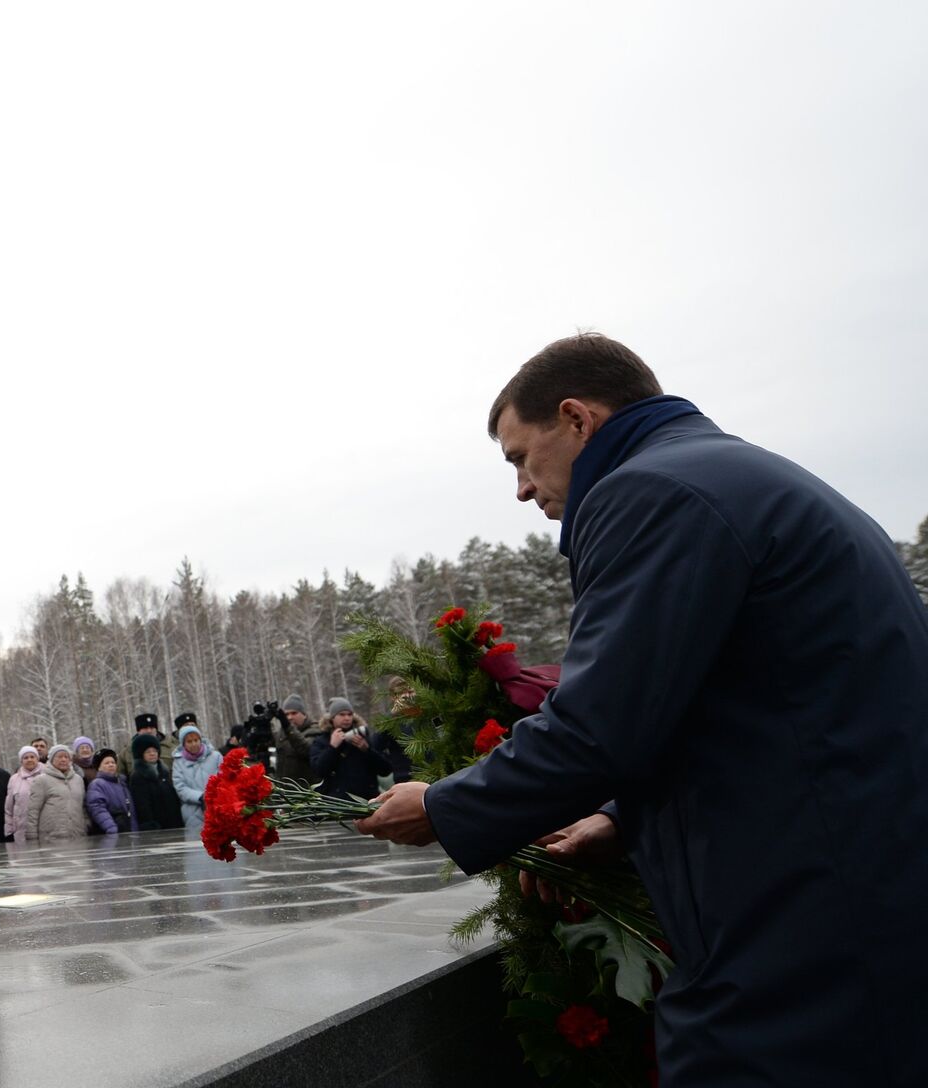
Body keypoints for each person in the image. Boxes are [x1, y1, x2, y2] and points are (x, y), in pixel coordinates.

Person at [355, 333, 928, 1086]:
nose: (522, 489)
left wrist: (445, 805)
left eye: (520, 457)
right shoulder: (729, 475)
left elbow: (599, 726)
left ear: (577, 418)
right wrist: (620, 818)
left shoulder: (651, 491)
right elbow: (748, 701)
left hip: (798, 923)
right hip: (852, 890)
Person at [308, 698, 394, 799]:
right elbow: (319, 770)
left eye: (349, 714)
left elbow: (385, 770)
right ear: (332, 718)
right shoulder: (322, 740)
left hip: (366, 800)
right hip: (337, 802)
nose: (347, 718)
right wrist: (332, 747)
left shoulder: (363, 737)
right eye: (342, 715)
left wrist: (367, 750)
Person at [26, 745, 89, 844]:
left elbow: (83, 807)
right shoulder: (41, 780)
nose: (63, 759)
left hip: (77, 836)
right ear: (51, 760)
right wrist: (31, 836)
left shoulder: (78, 779)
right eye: (59, 757)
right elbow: (33, 810)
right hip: (51, 838)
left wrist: (87, 825)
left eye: (66, 757)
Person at [170, 724, 223, 832]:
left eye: (196, 740)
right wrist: (200, 797)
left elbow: (224, 778)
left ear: (200, 740)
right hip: (192, 813)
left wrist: (213, 795)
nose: (194, 744)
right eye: (189, 742)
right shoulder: (178, 762)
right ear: (183, 744)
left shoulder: (216, 756)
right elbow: (180, 787)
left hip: (217, 807)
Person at [129, 733, 185, 830]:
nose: (152, 754)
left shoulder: (164, 772)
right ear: (140, 754)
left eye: (155, 751)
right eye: (148, 751)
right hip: (155, 827)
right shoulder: (138, 776)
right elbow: (142, 805)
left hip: (173, 824)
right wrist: (150, 824)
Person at [84, 749, 137, 834]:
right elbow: (98, 809)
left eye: (113, 762)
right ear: (99, 767)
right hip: (113, 833)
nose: (111, 765)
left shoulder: (122, 783)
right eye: (106, 763)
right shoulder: (97, 784)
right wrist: (111, 828)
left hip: (128, 831)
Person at [4, 747, 43, 846]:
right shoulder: (14, 779)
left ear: (37, 759)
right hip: (21, 829)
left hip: (43, 827)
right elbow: (9, 808)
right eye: (25, 757)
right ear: (21, 761)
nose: (29, 759)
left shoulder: (47, 775)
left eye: (32, 757)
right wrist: (9, 829)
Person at [272, 695, 316, 782]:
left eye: (294, 713)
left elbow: (306, 749)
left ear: (304, 714)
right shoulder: (282, 733)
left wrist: (288, 727)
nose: (290, 717)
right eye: (286, 714)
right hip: (284, 789)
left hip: (304, 790)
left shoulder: (314, 730)